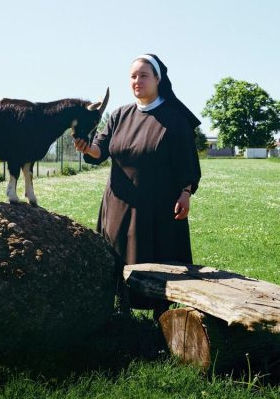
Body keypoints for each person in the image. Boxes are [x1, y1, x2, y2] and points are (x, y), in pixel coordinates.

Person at [74, 53, 202, 319]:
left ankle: (161, 318)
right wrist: (88, 148)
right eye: (133, 76)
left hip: (159, 206)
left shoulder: (174, 118)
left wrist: (186, 192)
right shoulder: (120, 115)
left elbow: (187, 161)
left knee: (160, 259)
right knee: (118, 259)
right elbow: (101, 149)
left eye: (143, 75)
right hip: (118, 205)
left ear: (158, 79)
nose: (137, 81)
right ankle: (121, 317)